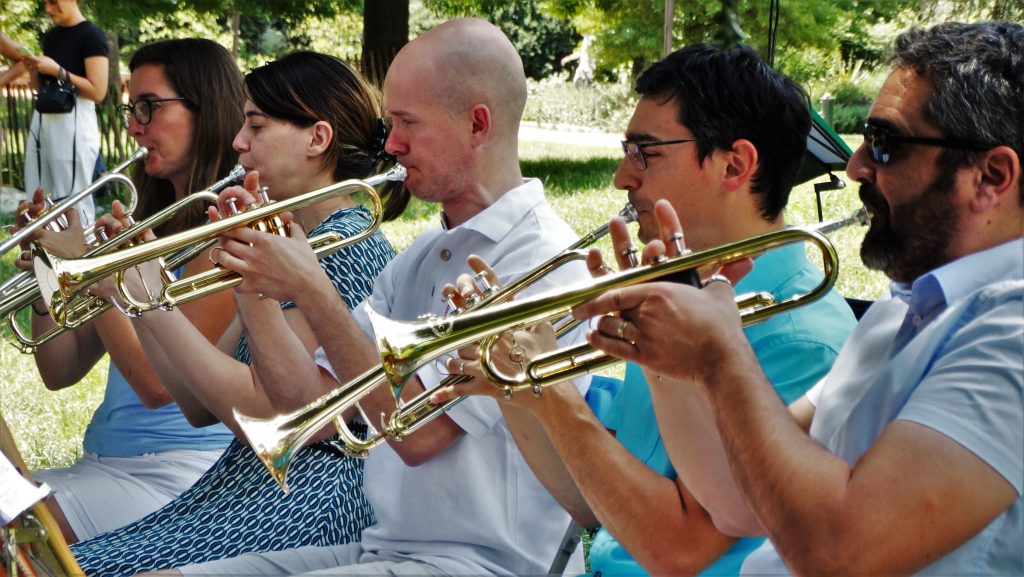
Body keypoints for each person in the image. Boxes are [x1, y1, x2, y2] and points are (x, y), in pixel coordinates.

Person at [571, 20, 1023, 575]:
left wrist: (718, 356)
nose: (856, 165)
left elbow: (837, 553)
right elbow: (738, 504)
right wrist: (671, 359)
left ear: (992, 177)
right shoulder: (902, 312)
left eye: (885, 145)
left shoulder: (1012, 334)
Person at [154, 17, 591, 577]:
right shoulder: (423, 254)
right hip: (387, 549)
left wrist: (312, 291)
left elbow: (419, 433)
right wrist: (253, 282)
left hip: (481, 564)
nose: (390, 145)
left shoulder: (545, 260)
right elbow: (303, 410)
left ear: (477, 123)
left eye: (408, 123)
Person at [431, 44, 857, 576]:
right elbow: (596, 509)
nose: (620, 177)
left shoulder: (798, 335)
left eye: (645, 152)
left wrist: (557, 395)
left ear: (735, 164)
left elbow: (677, 551)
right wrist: (518, 389)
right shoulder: (682, 291)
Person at [68, 50, 403, 577]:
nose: (238, 142)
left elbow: (265, 412)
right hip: (245, 484)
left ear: (317, 139)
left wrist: (159, 296)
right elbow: (197, 405)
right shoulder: (294, 240)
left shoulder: (347, 247)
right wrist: (139, 295)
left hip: (302, 500)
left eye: (256, 126)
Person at [14, 38, 243, 544]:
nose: (134, 124)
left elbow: (160, 389)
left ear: (207, 110)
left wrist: (91, 274)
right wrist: (47, 278)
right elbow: (60, 370)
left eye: (149, 107)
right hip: (106, 461)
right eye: (130, 109)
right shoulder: (148, 230)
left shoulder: (229, 235)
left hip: (178, 476)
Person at [21, 0, 107, 227]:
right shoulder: (52, 36)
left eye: (53, 2)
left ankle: (82, 253)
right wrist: (33, 71)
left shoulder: (91, 35)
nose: (48, 9)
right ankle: (45, 254)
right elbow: (42, 90)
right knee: (39, 192)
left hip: (75, 119)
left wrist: (58, 71)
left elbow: (98, 91)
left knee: (73, 197)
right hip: (44, 116)